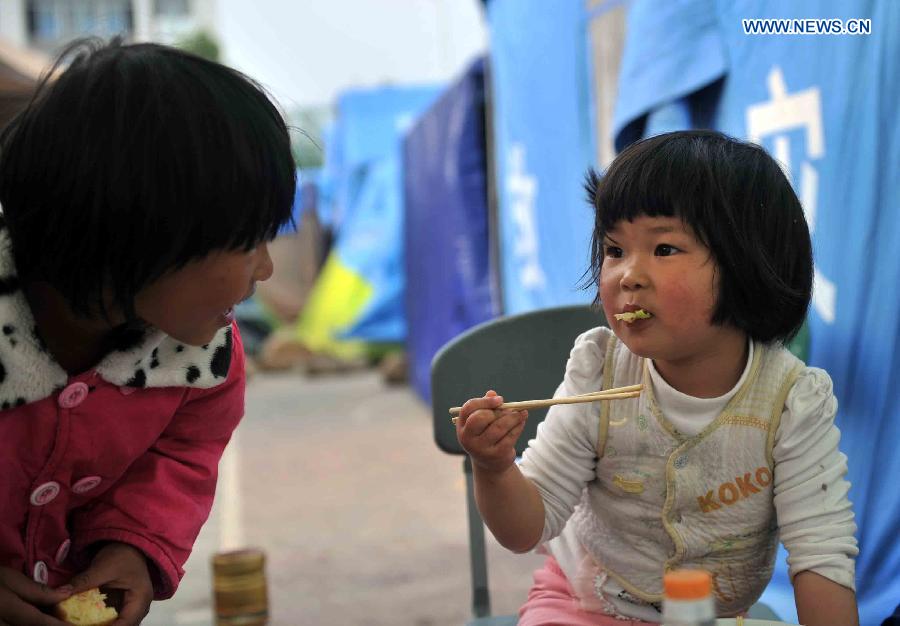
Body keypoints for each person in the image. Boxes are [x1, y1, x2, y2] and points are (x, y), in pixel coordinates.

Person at [456, 130, 859, 626]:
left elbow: (821, 557)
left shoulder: (792, 400)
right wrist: (494, 469)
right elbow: (525, 529)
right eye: (614, 249)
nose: (628, 275)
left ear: (749, 264)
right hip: (584, 603)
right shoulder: (597, 368)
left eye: (664, 248)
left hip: (714, 615)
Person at [0, 38, 295, 625]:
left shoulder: (202, 361)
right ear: (137, 236)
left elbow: (181, 455)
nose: (266, 269)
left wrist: (131, 547)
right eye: (247, 243)